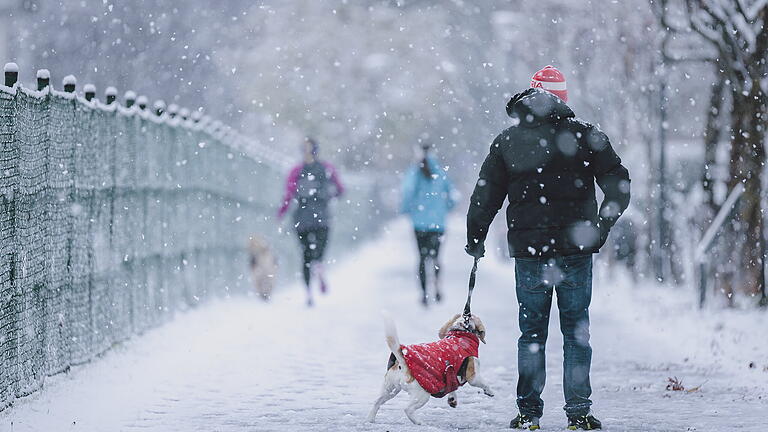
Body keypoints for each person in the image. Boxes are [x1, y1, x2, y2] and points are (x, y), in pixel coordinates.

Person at [465, 66, 630, 430]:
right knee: (576, 333)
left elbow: (484, 196)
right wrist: (600, 227)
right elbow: (618, 181)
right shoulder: (586, 136)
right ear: (564, 99)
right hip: (575, 251)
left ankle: (528, 414)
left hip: (530, 254)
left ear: (530, 96)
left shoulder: (508, 141)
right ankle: (579, 413)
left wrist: (475, 238)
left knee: (532, 334)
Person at [278, 137, 344, 307]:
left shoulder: (296, 171)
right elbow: (340, 190)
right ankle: (319, 265)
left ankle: (308, 293)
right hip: (322, 216)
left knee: (305, 256)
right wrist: (329, 195)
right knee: (319, 252)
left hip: (302, 218)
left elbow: (288, 195)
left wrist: (281, 212)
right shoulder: (327, 168)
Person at [400, 144, 456, 306]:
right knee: (436, 257)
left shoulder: (414, 172)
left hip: (419, 223)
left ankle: (424, 293)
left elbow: (407, 192)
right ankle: (437, 289)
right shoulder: (440, 172)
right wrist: (446, 208)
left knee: (422, 258)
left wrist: (406, 210)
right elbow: (452, 196)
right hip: (438, 224)